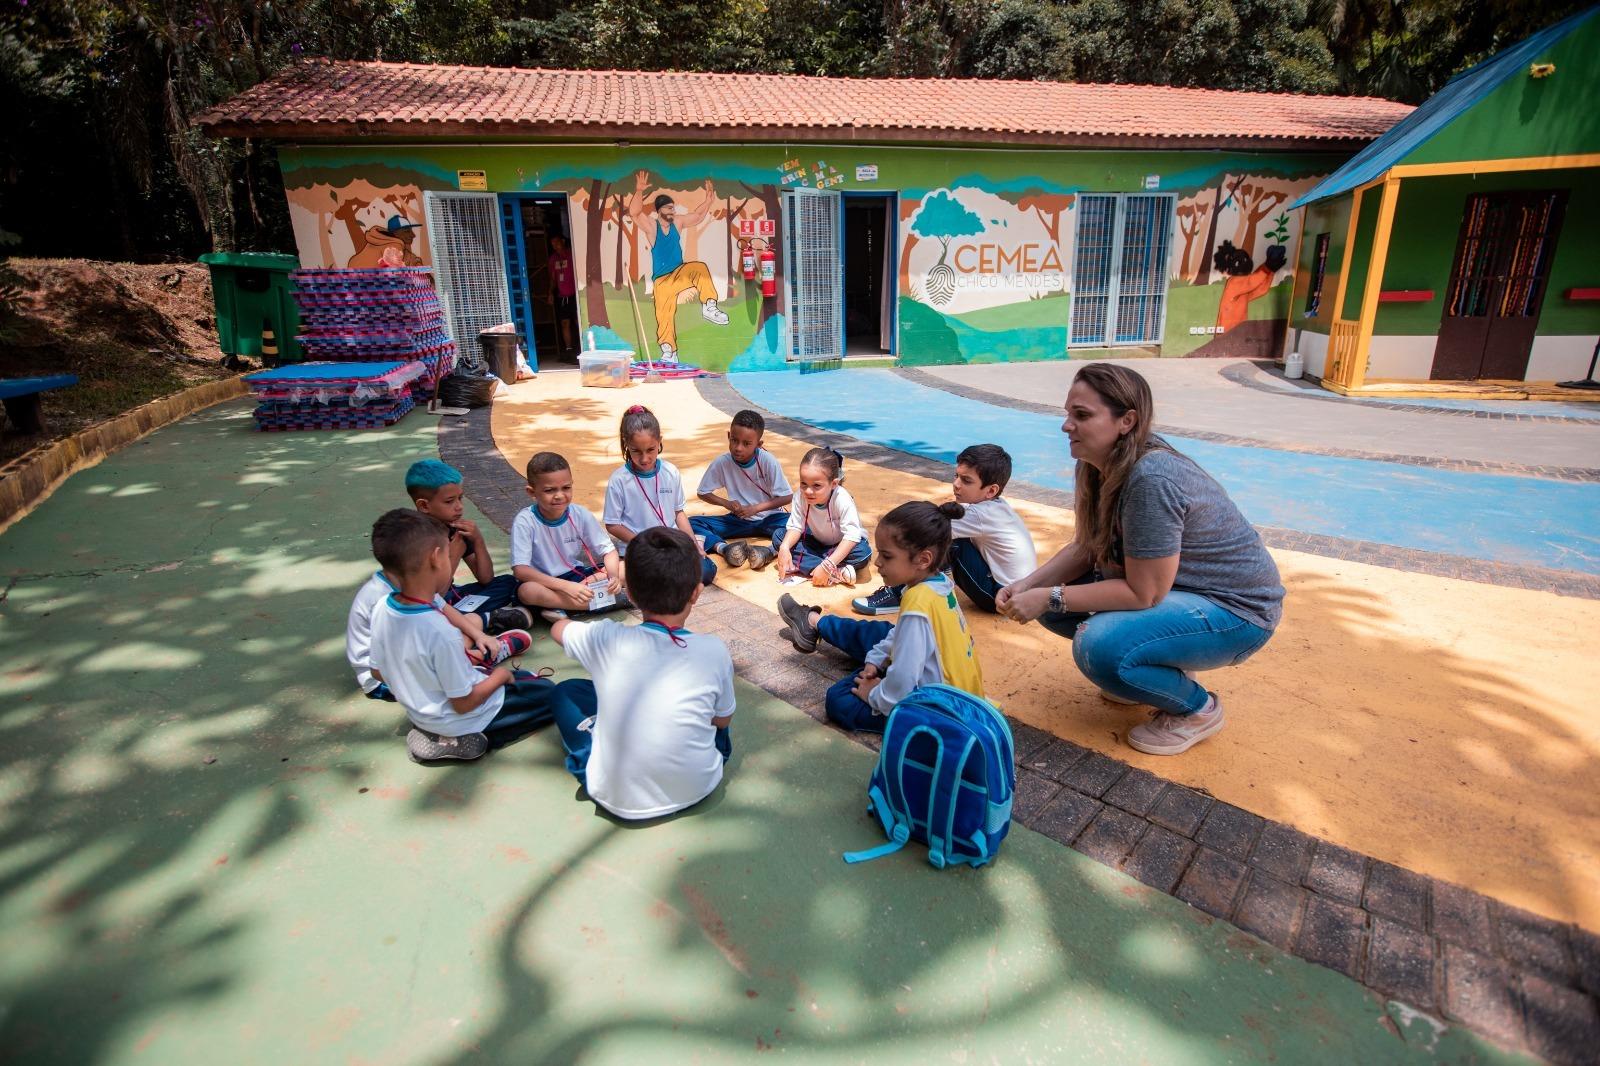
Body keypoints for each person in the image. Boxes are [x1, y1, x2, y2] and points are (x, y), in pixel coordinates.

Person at [996, 363, 1283, 756]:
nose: (1066, 425)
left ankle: (1197, 710)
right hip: (1183, 594)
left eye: (1082, 415)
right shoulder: (1096, 464)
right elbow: (1087, 546)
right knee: (1054, 604)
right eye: (1068, 413)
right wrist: (1028, 585)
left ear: (1126, 421)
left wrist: (1049, 596)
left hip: (1239, 614)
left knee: (1099, 645)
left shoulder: (1151, 479)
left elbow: (1144, 593)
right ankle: (1155, 668)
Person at [546, 527, 735, 820]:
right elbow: (721, 721)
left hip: (615, 796)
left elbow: (559, 630)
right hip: (699, 785)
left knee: (565, 691)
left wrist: (561, 619)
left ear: (630, 594)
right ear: (696, 593)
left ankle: (596, 743)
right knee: (717, 723)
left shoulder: (607, 638)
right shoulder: (714, 650)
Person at [367, 510, 557, 763]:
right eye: (448, 553)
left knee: (522, 679)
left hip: (420, 710)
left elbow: (377, 671)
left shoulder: (382, 607)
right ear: (436, 558)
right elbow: (464, 703)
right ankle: (458, 739)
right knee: (549, 693)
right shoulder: (440, 631)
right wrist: (500, 676)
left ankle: (436, 728)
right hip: (463, 716)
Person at [776, 501, 982, 733]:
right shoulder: (939, 584)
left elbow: (904, 678)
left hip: (941, 712)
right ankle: (815, 623)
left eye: (887, 556)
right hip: (958, 696)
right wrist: (876, 659)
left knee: (839, 699)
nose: (877, 563)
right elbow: (900, 635)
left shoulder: (918, 606)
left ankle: (821, 629)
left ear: (923, 559)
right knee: (882, 636)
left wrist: (874, 693)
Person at [346, 513, 531, 701]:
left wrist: (479, 636)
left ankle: (475, 651)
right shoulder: (379, 598)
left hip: (406, 662)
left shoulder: (412, 581)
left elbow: (443, 607)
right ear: (435, 558)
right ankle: (478, 658)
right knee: (449, 641)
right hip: (384, 682)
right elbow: (385, 667)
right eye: (446, 553)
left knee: (461, 627)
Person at [852, 443, 1037, 616]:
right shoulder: (994, 507)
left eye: (966, 480)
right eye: (956, 476)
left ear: (991, 491)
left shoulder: (980, 515)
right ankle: (938, 573)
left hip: (1000, 598)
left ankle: (898, 594)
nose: (956, 484)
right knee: (949, 533)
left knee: (944, 539)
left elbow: (927, 528)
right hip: (1016, 591)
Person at [405, 459, 529, 632]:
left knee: (508, 582)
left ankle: (466, 620)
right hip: (425, 605)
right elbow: (432, 596)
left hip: (452, 597)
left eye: (460, 498)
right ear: (424, 505)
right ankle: (484, 620)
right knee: (432, 615)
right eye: (449, 501)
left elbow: (486, 578)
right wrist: (454, 555)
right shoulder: (414, 538)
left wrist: (478, 541)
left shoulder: (455, 529)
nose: (459, 507)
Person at [604, 405, 717, 585]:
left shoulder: (670, 472)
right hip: (639, 549)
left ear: (659, 442)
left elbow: (678, 512)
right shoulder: (619, 479)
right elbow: (612, 524)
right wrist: (643, 542)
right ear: (626, 445)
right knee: (656, 576)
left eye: (650, 449)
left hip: (670, 545)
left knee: (705, 570)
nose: (644, 458)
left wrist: (693, 544)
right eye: (636, 451)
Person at [510, 451, 626, 622]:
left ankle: (559, 606)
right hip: (543, 582)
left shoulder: (580, 513)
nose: (559, 495)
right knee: (527, 591)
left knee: (626, 568)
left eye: (566, 488)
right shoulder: (525, 521)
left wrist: (613, 576)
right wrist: (567, 587)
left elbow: (608, 551)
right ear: (531, 492)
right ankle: (610, 601)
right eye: (549, 490)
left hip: (577, 577)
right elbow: (520, 570)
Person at [629, 172, 728, 364]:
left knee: (699, 268)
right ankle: (669, 351)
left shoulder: (678, 222)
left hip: (679, 273)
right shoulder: (652, 226)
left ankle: (709, 306)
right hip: (662, 281)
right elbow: (634, 213)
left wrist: (708, 201)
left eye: (673, 208)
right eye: (669, 208)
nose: (673, 211)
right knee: (663, 315)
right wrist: (639, 191)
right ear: (660, 210)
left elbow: (697, 216)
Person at [690, 409, 792, 570]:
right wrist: (727, 504)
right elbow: (703, 492)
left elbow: (787, 497)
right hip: (739, 520)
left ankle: (769, 551)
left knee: (803, 527)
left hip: (771, 518)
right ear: (728, 436)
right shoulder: (722, 462)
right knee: (691, 523)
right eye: (734, 440)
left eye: (746, 444)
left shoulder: (768, 461)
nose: (738, 448)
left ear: (759, 445)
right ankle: (725, 549)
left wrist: (755, 509)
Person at [772, 446, 871, 587]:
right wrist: (784, 548)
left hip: (842, 545)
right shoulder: (800, 496)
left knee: (863, 553)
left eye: (817, 485)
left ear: (834, 484)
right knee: (779, 537)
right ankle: (837, 572)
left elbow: (852, 536)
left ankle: (812, 566)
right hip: (818, 544)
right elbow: (795, 527)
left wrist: (827, 565)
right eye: (803, 483)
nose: (808, 491)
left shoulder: (841, 498)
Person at [547, 234, 579, 356]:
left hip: (574, 295)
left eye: (557, 243)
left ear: (563, 241)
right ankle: (569, 350)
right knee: (565, 323)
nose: (555, 246)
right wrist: (550, 293)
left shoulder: (572, 254)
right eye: (553, 244)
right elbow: (552, 279)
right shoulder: (553, 259)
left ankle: (582, 346)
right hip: (562, 297)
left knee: (578, 321)